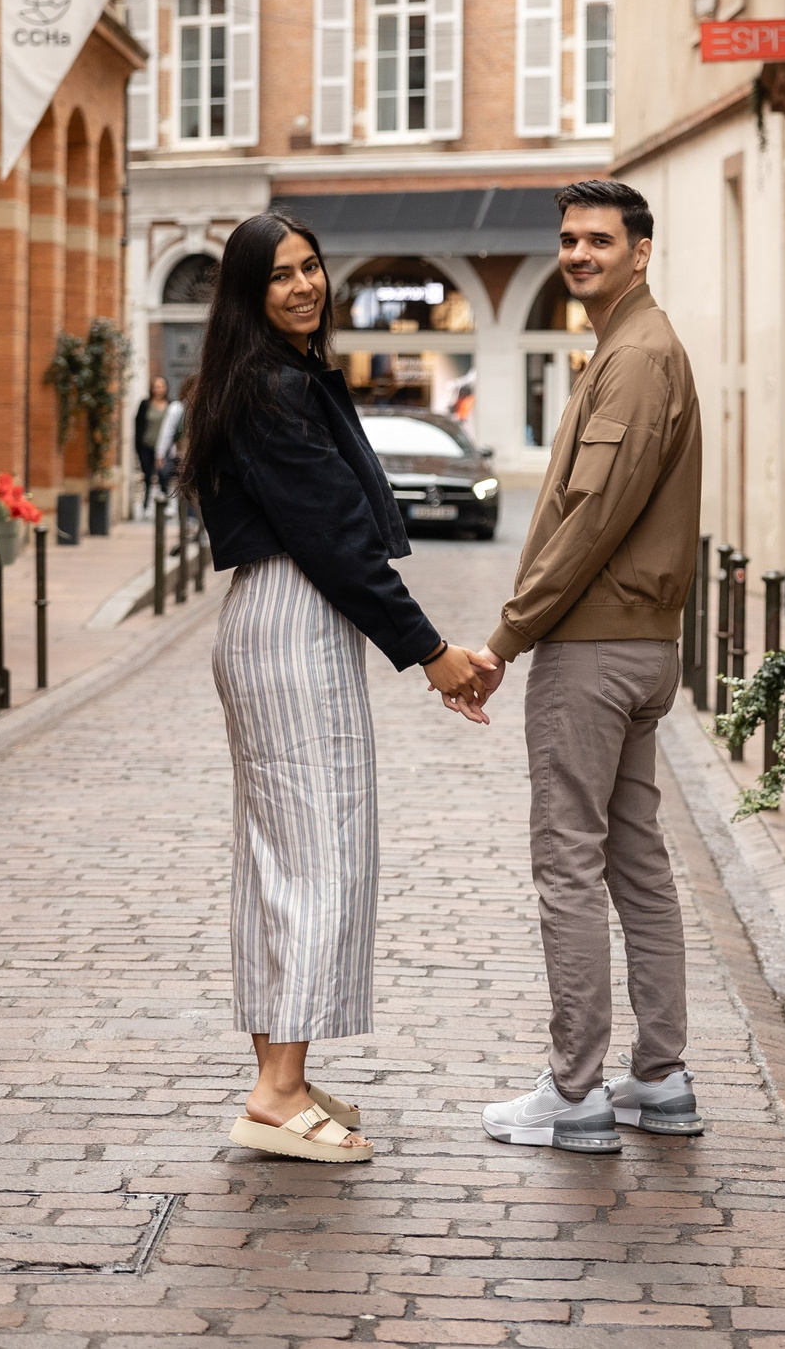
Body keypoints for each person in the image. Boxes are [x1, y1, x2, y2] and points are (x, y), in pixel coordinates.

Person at [186, 211, 495, 1164]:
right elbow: (334, 538)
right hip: (292, 610)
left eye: (311, 267)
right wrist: (430, 649)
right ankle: (275, 1094)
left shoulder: (278, 375)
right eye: (279, 275)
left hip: (284, 612)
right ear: (248, 290)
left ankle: (284, 1071)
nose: (303, 285)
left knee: (288, 854)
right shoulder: (270, 387)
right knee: (314, 853)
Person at [457, 180, 705, 1155]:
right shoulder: (626, 348)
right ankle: (658, 1077)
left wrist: (506, 639)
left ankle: (576, 1090)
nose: (579, 253)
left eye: (599, 239)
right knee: (635, 860)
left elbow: (589, 519)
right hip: (636, 648)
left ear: (641, 252)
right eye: (568, 239)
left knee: (569, 863)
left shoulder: (637, 356)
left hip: (595, 652)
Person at [135, 375, 172, 495]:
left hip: (164, 447)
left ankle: (164, 499)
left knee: (163, 475)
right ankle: (146, 503)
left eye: (161, 386)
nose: (159, 389)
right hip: (146, 445)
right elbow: (138, 424)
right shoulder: (145, 404)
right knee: (147, 475)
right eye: (156, 387)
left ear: (166, 388)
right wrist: (138, 446)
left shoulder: (171, 405)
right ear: (151, 388)